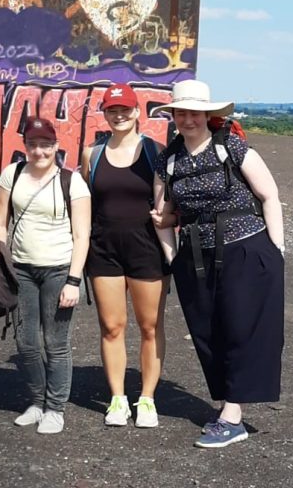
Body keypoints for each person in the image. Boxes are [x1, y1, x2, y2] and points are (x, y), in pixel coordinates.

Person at [151, 79, 284, 448]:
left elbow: (268, 194)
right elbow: (161, 214)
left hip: (246, 248)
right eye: (181, 112)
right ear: (174, 116)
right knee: (207, 331)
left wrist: (276, 250)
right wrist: (171, 256)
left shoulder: (232, 146)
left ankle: (233, 415)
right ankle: (228, 405)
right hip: (194, 256)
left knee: (240, 328)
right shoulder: (169, 159)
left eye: (194, 112)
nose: (188, 119)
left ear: (208, 114)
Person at [80, 84, 169, 429]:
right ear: (105, 113)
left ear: (137, 112)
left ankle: (146, 399)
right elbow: (84, 200)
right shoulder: (93, 154)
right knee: (112, 326)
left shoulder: (155, 152)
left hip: (146, 249)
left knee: (150, 327)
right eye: (112, 110)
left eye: (125, 109)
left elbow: (167, 203)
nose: (119, 115)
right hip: (104, 250)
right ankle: (118, 398)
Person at [0, 117, 91, 434]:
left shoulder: (72, 181)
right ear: (25, 147)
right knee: (26, 342)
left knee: (56, 342)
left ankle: (55, 408)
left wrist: (74, 281)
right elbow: (0, 222)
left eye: (45, 145)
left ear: (56, 146)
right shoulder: (12, 174)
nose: (39, 151)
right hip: (21, 268)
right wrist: (0, 260)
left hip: (59, 269)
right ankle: (37, 402)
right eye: (33, 145)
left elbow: (82, 234)